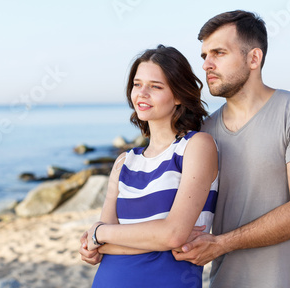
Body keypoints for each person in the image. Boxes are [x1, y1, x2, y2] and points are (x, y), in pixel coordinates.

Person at [171, 10, 290, 287]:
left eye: (219, 53)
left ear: (254, 58)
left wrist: (221, 243)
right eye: (204, 56)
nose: (206, 65)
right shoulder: (204, 134)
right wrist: (102, 236)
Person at [79, 44, 219, 288]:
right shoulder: (124, 162)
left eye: (155, 86)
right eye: (137, 84)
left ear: (178, 95)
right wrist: (156, 238)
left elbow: (173, 235)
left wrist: (100, 234)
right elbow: (98, 249)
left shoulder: (196, 146)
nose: (142, 93)